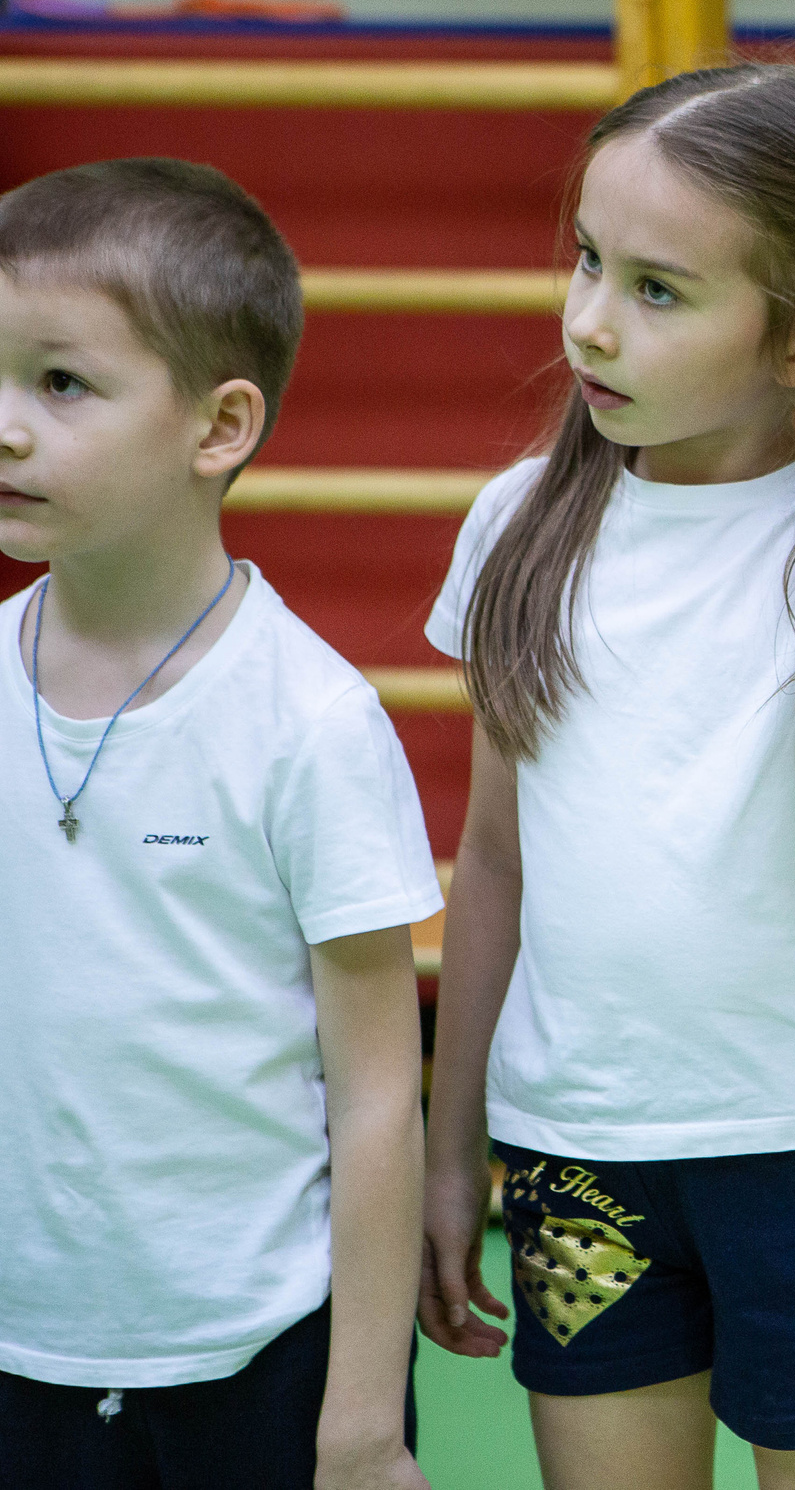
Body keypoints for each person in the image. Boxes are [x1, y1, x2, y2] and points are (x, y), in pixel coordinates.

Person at [414, 63, 795, 1490]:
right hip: (578, 1157)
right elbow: (493, 862)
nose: (589, 318)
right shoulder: (520, 521)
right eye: (586, 259)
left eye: (658, 289)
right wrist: (454, 1153)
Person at [0, 159, 441, 1489]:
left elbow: (376, 1094)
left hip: (259, 1354)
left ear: (219, 425)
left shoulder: (309, 720)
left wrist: (363, 1419)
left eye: (60, 383)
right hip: (25, 1348)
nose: (6, 425)